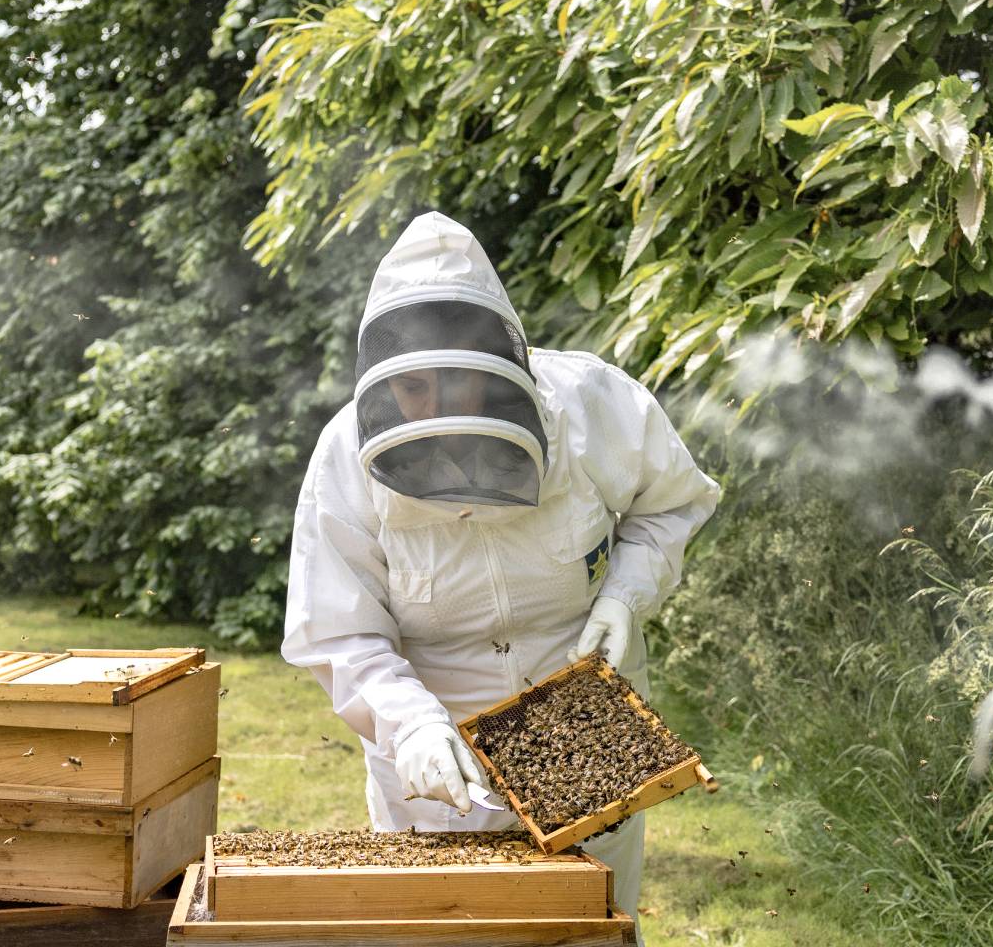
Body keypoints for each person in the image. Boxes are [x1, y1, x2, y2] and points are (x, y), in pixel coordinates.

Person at [281, 212, 721, 913]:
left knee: (587, 924)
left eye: (456, 379)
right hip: (436, 756)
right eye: (414, 386)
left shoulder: (591, 405)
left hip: (585, 733)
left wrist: (624, 596)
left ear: (495, 358)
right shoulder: (344, 457)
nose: (437, 405)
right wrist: (410, 724)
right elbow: (338, 630)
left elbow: (671, 504)